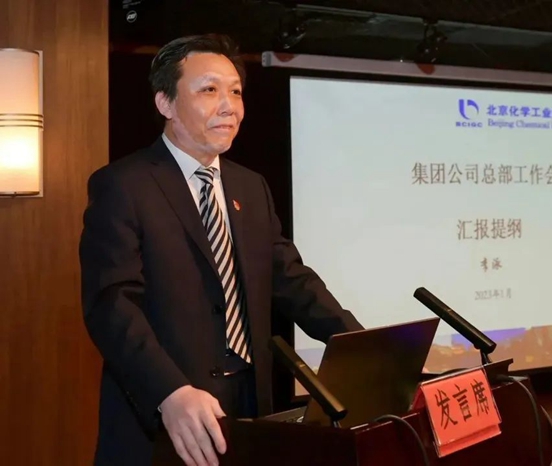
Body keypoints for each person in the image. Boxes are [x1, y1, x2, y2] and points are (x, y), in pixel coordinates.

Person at [79, 33, 363, 466]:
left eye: (236, 92)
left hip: (250, 409)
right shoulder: (123, 185)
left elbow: (290, 279)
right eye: (209, 90)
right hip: (168, 417)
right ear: (165, 103)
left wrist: (359, 343)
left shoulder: (250, 185)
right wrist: (170, 392)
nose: (229, 106)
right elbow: (111, 305)